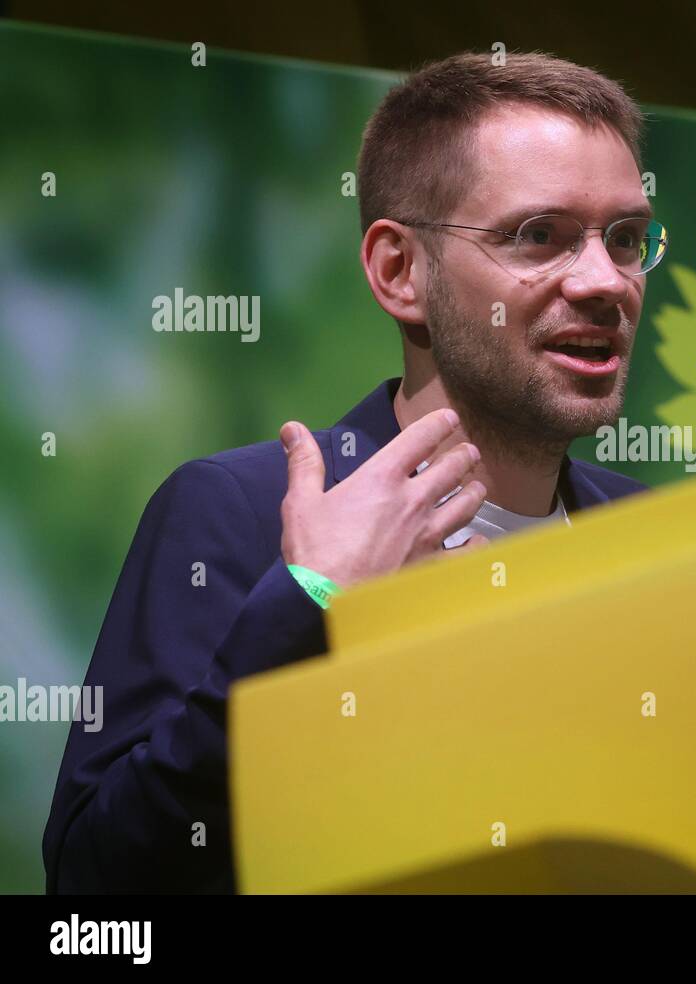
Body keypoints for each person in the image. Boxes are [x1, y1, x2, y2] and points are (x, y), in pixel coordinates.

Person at [43, 50, 664, 893]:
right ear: (400, 272)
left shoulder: (654, 539)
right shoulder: (236, 511)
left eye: (625, 239)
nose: (605, 283)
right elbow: (96, 886)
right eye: (538, 236)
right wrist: (311, 607)